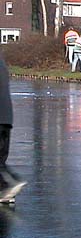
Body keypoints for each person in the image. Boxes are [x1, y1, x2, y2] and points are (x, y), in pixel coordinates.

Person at [0, 53, 26, 205]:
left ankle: (10, 183)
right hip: (6, 118)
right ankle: (6, 190)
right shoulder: (2, 63)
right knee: (1, 158)